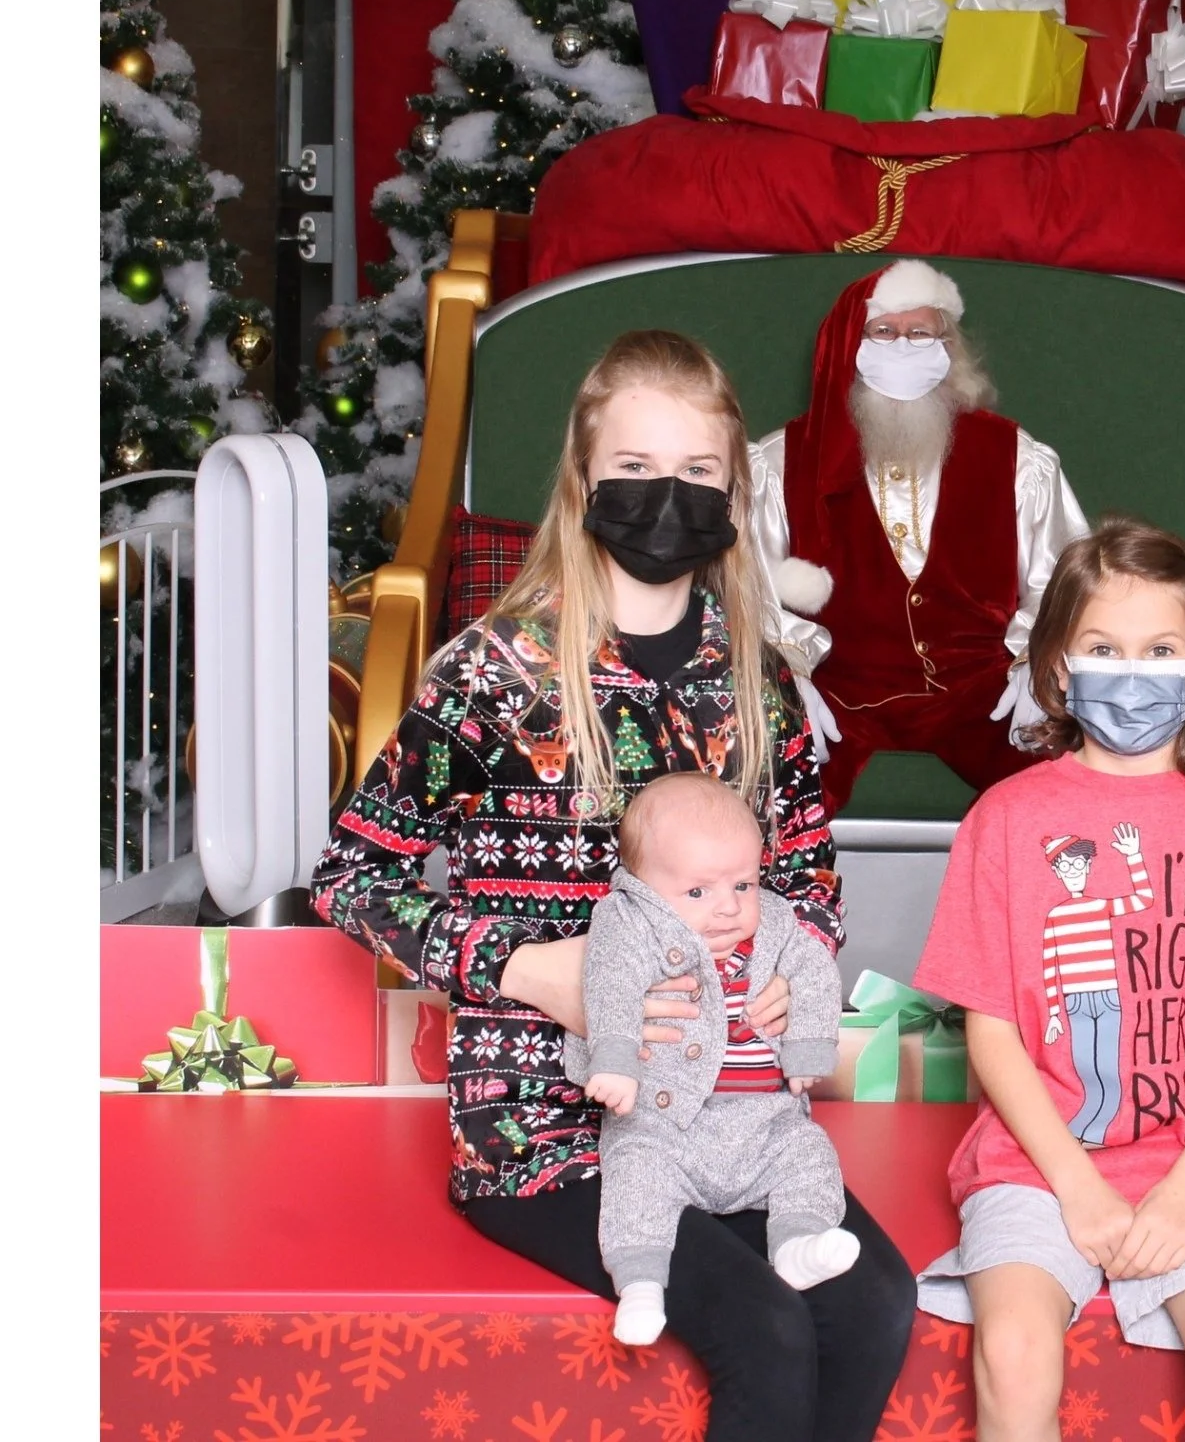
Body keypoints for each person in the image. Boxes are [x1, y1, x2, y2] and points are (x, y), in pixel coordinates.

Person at [311, 330, 916, 1442]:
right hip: (546, 1129)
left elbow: (808, 871)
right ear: (585, 481)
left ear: (735, 492)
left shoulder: (756, 678)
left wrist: (799, 962)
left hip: (730, 1115)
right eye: (636, 473)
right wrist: (530, 969)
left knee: (875, 1308)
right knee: (770, 1336)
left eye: (697, 477)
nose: (665, 499)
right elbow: (351, 878)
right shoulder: (495, 671)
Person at [908, 516, 1185, 1442]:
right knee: (1014, 1352)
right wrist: (1078, 1187)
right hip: (1037, 1166)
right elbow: (992, 1033)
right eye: (1104, 648)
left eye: (1160, 651)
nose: (1132, 672)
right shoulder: (1007, 819)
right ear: (1059, 667)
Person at [746, 258, 1091, 810]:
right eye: (884, 332)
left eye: (920, 333)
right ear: (849, 346)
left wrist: (1039, 664)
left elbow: (1067, 575)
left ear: (946, 347)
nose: (903, 346)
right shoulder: (779, 462)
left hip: (983, 694)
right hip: (841, 696)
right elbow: (749, 587)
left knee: (1070, 793)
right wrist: (785, 678)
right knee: (765, 799)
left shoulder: (1015, 458)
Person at [573, 772, 858, 1347]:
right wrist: (615, 1060)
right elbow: (610, 988)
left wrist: (807, 1045)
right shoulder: (628, 924)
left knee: (809, 1156)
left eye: (744, 886)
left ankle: (799, 1245)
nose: (727, 908)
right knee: (635, 1175)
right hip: (665, 1122)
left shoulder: (776, 924)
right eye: (699, 893)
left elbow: (814, 970)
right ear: (645, 889)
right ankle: (641, 1284)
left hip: (764, 1123)